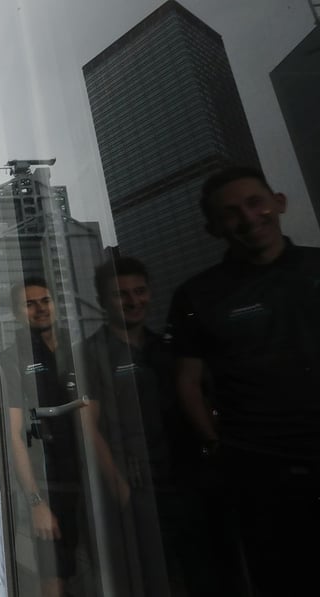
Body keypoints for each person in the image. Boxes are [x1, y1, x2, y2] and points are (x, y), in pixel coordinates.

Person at [167, 165, 320, 596]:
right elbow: (187, 381)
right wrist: (217, 445)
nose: (249, 218)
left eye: (256, 203)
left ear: (279, 203)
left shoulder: (315, 265)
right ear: (213, 228)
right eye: (231, 213)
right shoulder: (198, 295)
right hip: (263, 470)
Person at [85, 256, 211, 596]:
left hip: (184, 480)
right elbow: (88, 429)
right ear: (102, 300)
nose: (132, 301)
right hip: (137, 487)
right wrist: (121, 490)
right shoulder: (91, 353)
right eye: (120, 294)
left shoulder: (166, 348)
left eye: (139, 291)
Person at [2, 277, 123, 597]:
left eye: (45, 301)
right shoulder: (13, 357)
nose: (40, 309)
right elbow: (15, 435)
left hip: (89, 478)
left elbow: (93, 424)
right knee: (55, 573)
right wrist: (36, 502)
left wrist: (114, 480)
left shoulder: (80, 349)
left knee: (107, 566)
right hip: (48, 482)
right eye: (29, 304)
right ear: (16, 314)